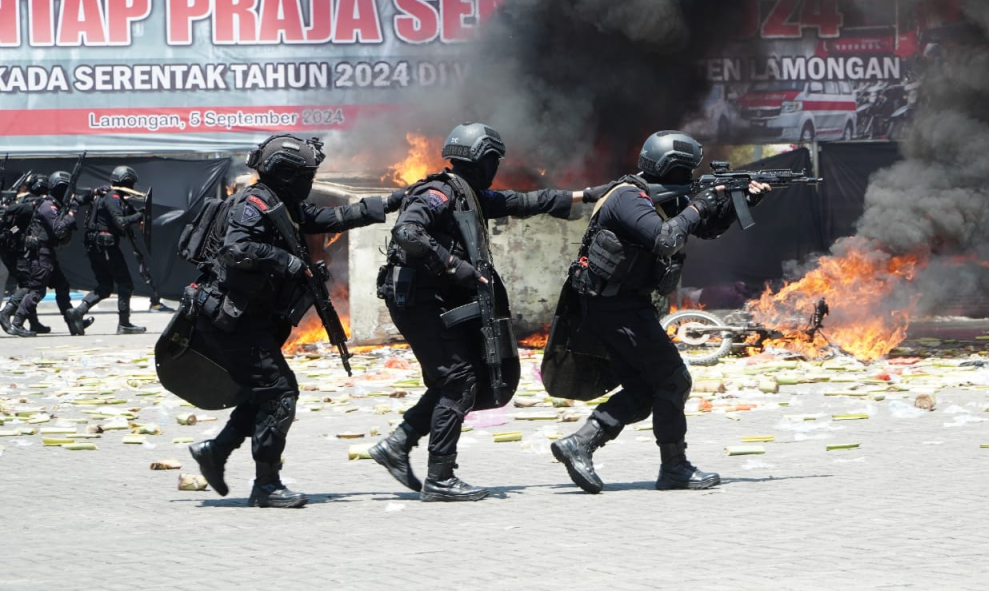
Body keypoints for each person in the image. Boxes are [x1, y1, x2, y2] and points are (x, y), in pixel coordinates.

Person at [369, 122, 585, 502]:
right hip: (418, 300)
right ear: (483, 160)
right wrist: (454, 265)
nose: (495, 168)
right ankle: (440, 478)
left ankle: (398, 443)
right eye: (493, 160)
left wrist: (588, 195)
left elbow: (523, 202)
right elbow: (407, 232)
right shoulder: (439, 192)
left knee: (455, 378)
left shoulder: (468, 193)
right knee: (459, 381)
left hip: (432, 299)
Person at [186, 134, 404, 508]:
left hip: (250, 320)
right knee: (281, 392)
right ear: (285, 175)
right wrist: (288, 262)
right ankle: (266, 485)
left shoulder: (282, 205)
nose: (309, 181)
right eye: (305, 174)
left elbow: (334, 217)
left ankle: (215, 451)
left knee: (263, 393)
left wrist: (392, 202)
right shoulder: (252, 206)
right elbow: (237, 248)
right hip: (233, 320)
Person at [550, 130, 769, 494]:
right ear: (673, 168)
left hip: (621, 305)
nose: (690, 179)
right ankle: (675, 468)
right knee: (674, 379)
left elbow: (707, 229)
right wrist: (698, 203)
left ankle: (581, 442)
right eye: (687, 171)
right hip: (613, 306)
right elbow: (666, 239)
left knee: (643, 390)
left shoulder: (661, 197)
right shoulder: (628, 199)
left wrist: (741, 201)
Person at [9, 172, 94, 338]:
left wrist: (95, 193)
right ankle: (17, 323)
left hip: (48, 254)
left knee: (62, 286)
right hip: (41, 253)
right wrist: (71, 215)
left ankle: (72, 321)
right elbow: (59, 229)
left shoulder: (56, 203)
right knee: (37, 291)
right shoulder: (48, 206)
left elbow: (78, 200)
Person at [66, 166, 148, 334]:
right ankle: (124, 323)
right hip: (106, 246)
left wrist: (138, 214)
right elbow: (121, 222)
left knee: (105, 286)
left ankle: (78, 312)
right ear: (126, 181)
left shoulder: (108, 197)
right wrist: (140, 215)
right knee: (125, 283)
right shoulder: (113, 197)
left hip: (96, 245)